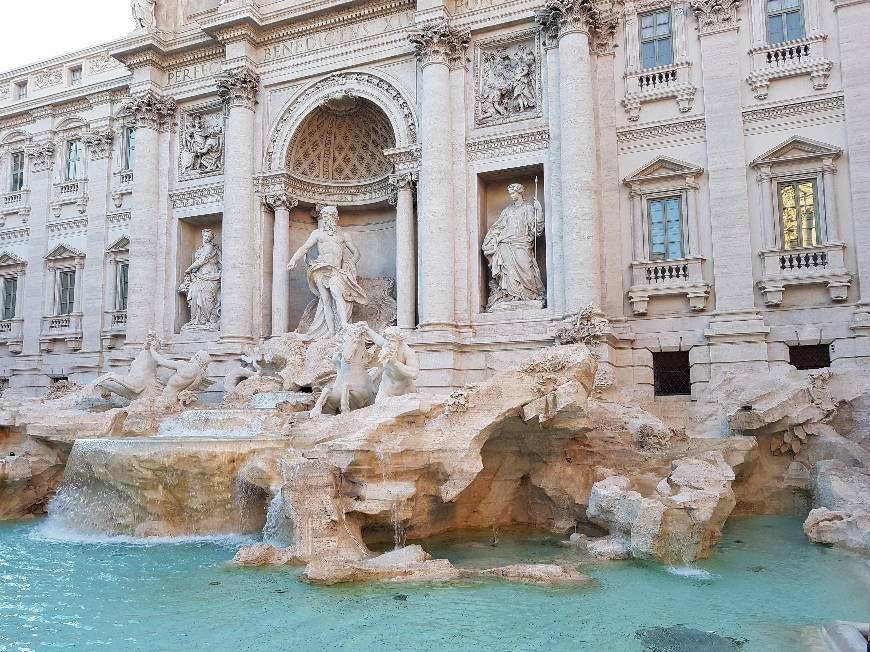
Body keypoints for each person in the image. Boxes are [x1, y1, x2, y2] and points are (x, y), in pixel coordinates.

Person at [288, 206, 367, 338]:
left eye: (330, 216)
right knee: (325, 300)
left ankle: (343, 325)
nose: (327, 219)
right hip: (321, 269)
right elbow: (305, 248)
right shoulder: (317, 234)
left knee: (336, 293)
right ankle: (331, 331)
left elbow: (356, 252)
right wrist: (293, 260)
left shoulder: (344, 235)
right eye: (325, 217)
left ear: (336, 218)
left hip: (336, 271)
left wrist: (352, 261)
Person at [482, 182, 545, 310]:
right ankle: (511, 296)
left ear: (520, 192)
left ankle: (529, 295)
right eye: (510, 193)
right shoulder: (507, 211)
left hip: (522, 243)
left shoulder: (528, 208)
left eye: (513, 193)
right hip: (506, 243)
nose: (511, 196)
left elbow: (535, 229)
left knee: (526, 267)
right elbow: (498, 227)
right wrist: (492, 238)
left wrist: (538, 211)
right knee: (508, 271)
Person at [179, 229, 221, 331]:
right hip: (199, 275)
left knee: (208, 298)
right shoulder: (200, 248)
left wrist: (189, 269)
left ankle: (206, 320)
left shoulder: (210, 247)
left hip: (210, 276)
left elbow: (202, 260)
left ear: (211, 238)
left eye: (208, 236)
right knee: (194, 295)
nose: (206, 238)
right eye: (205, 236)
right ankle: (195, 320)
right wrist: (193, 272)